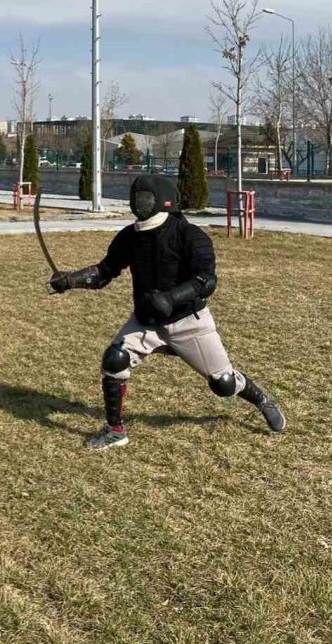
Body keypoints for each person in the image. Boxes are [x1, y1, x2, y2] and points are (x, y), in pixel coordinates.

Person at [49, 174, 286, 450]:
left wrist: (172, 298)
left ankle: (261, 398)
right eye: (137, 198)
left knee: (222, 384)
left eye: (146, 198)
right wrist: (70, 280)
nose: (140, 204)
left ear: (163, 201)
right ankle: (115, 431)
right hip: (147, 322)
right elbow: (105, 271)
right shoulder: (130, 236)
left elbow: (206, 280)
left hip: (189, 322)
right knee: (115, 359)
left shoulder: (190, 235)